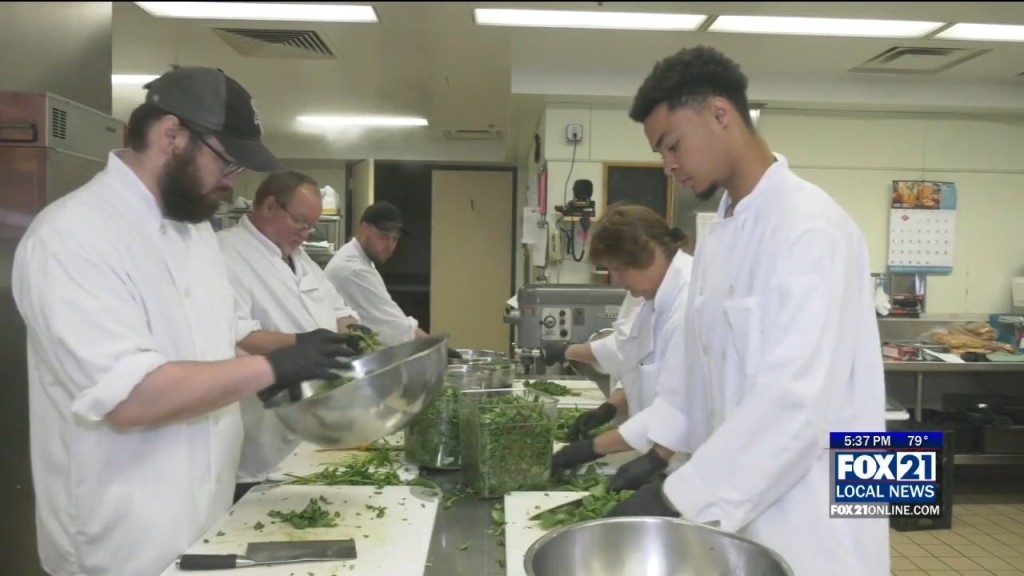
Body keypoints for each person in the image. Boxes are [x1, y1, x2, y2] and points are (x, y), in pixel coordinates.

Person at [10, 66, 351, 576]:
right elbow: (131, 396)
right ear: (172, 136)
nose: (232, 182)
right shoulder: (71, 237)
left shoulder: (195, 233)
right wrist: (273, 366)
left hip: (208, 523)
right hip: (122, 542)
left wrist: (278, 375)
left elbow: (217, 342)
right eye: (227, 163)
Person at [606, 45, 889, 576]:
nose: (668, 166)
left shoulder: (811, 227)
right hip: (740, 516)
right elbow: (695, 376)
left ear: (720, 113)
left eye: (673, 145)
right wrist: (654, 451)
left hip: (812, 520)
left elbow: (796, 403)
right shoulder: (722, 235)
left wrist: (677, 497)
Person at [217, 170, 371, 500]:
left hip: (314, 425)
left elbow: (338, 308)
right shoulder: (225, 253)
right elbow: (235, 334)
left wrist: (353, 331)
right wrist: (299, 345)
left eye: (311, 225)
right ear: (270, 206)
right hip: (263, 428)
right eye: (300, 222)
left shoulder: (300, 258)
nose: (305, 233)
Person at [545, 204, 693, 480]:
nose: (616, 280)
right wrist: (611, 408)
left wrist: (594, 447)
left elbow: (681, 404)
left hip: (685, 465)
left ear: (648, 256)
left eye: (619, 270)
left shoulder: (690, 302)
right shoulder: (651, 300)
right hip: (659, 458)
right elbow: (640, 370)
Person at [325, 201, 458, 359]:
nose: (389, 246)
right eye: (383, 236)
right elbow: (392, 327)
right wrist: (435, 348)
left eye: (395, 239)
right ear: (363, 229)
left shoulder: (361, 261)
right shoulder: (352, 269)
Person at [541, 289, 644, 439]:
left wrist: (566, 351)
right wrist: (608, 410)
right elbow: (635, 376)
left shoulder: (670, 307)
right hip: (640, 432)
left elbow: (618, 352)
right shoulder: (641, 298)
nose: (617, 279)